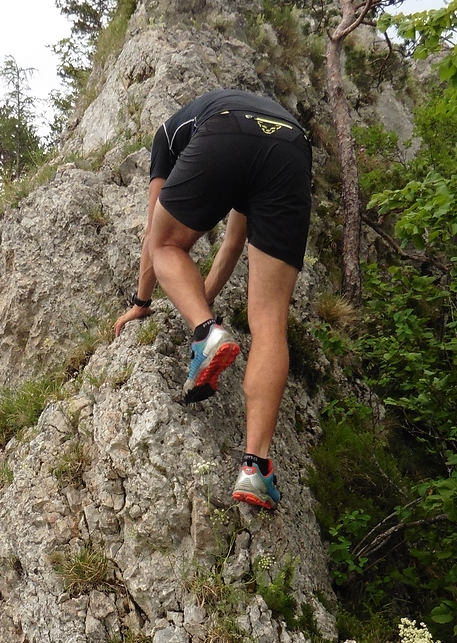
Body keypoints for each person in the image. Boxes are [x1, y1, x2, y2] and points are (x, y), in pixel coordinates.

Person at [114, 89, 312, 510]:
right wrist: (200, 305)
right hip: (292, 147)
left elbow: (155, 236)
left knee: (167, 243)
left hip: (227, 128)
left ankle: (207, 335)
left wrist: (143, 303)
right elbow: (232, 244)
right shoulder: (255, 118)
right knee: (269, 322)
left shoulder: (167, 136)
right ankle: (255, 469)